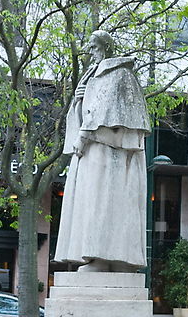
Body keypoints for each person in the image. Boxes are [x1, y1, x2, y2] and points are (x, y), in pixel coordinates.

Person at [54, 30, 151, 272]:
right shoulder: (93, 75)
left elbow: (106, 112)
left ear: (106, 47)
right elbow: (88, 111)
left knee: (107, 203)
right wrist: (78, 101)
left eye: (94, 46)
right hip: (95, 152)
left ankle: (109, 259)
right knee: (94, 203)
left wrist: (85, 135)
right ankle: (98, 258)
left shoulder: (119, 74)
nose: (90, 51)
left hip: (110, 151)